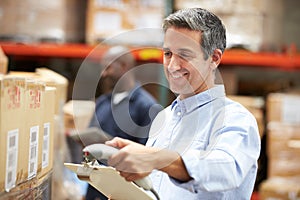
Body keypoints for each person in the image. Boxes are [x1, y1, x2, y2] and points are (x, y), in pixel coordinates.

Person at [103, 8, 261, 199]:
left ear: (214, 58)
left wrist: (154, 158)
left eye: (184, 55)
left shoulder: (235, 119)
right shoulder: (165, 117)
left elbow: (226, 169)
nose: (172, 66)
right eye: (168, 54)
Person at [85, 46, 162, 200]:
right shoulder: (102, 102)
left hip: (123, 190)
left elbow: (147, 155)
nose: (103, 74)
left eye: (108, 68)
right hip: (95, 188)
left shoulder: (147, 107)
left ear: (123, 66)